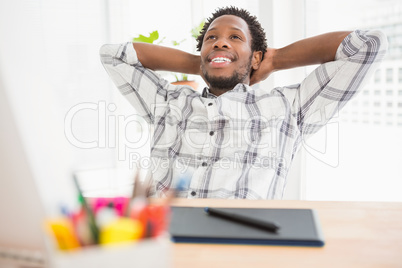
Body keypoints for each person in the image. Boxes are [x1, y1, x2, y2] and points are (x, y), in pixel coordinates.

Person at [100, 6, 387, 199]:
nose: (220, 43)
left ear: (256, 57)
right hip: (161, 249)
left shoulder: (289, 107)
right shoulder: (167, 102)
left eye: (234, 38)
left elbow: (368, 45)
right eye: (211, 39)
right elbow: (112, 55)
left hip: (240, 252)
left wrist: (274, 60)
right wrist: (203, 63)